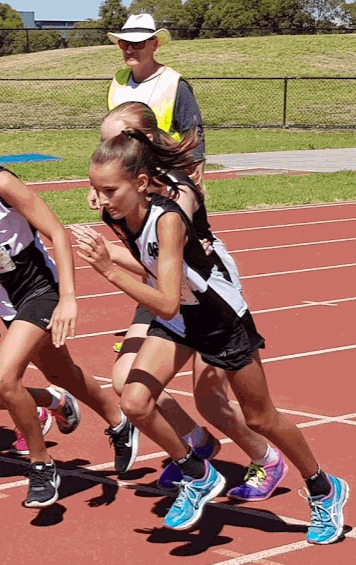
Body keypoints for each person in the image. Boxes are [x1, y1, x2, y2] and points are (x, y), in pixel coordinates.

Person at [75, 128, 348, 542]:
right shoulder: (116, 214)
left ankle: (323, 488)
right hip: (180, 321)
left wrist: (107, 268)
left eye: (109, 189)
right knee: (133, 399)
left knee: (261, 417)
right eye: (95, 189)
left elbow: (164, 301)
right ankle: (196, 473)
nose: (101, 199)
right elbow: (160, 291)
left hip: (220, 321)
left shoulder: (168, 220)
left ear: (142, 184)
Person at [0, 108, 137, 509]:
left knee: (2, 378)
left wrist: (69, 297)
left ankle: (42, 465)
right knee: (60, 372)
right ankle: (121, 423)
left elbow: (56, 232)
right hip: (2, 296)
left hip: (37, 288)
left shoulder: (0, 183)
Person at [99, 102, 287, 502]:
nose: (107, 150)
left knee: (210, 398)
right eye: (104, 143)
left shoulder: (177, 189)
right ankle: (195, 444)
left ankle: (266, 458)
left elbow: (167, 242)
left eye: (116, 141)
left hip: (200, 292)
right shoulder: (119, 194)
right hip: (158, 286)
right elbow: (143, 257)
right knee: (126, 383)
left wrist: (116, 244)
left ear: (143, 141)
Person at [104, 13, 204, 190]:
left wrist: (195, 179)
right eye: (124, 43)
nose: (129, 50)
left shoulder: (174, 84)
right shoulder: (118, 80)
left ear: (155, 44)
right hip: (125, 177)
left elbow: (194, 132)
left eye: (138, 43)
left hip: (166, 177)